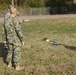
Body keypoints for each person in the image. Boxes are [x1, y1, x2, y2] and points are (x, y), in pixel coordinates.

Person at [3, 5, 25, 71]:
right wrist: (22, 40)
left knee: (10, 51)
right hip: (15, 39)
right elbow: (18, 31)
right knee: (17, 52)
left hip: (9, 39)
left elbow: (4, 30)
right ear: (15, 13)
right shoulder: (15, 20)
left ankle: (9, 64)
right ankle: (17, 67)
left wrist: (5, 39)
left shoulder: (6, 20)